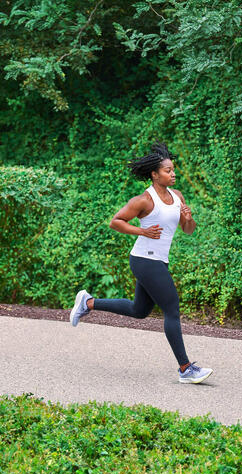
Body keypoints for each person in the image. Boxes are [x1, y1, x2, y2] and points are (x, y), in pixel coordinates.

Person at [69, 143, 213, 384]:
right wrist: (142, 232)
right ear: (155, 174)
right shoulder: (144, 200)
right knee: (171, 307)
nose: (173, 173)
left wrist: (189, 219)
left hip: (158, 260)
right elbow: (116, 221)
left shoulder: (177, 197)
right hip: (144, 260)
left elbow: (187, 230)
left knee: (140, 310)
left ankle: (88, 302)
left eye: (173, 169)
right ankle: (185, 368)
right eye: (167, 170)